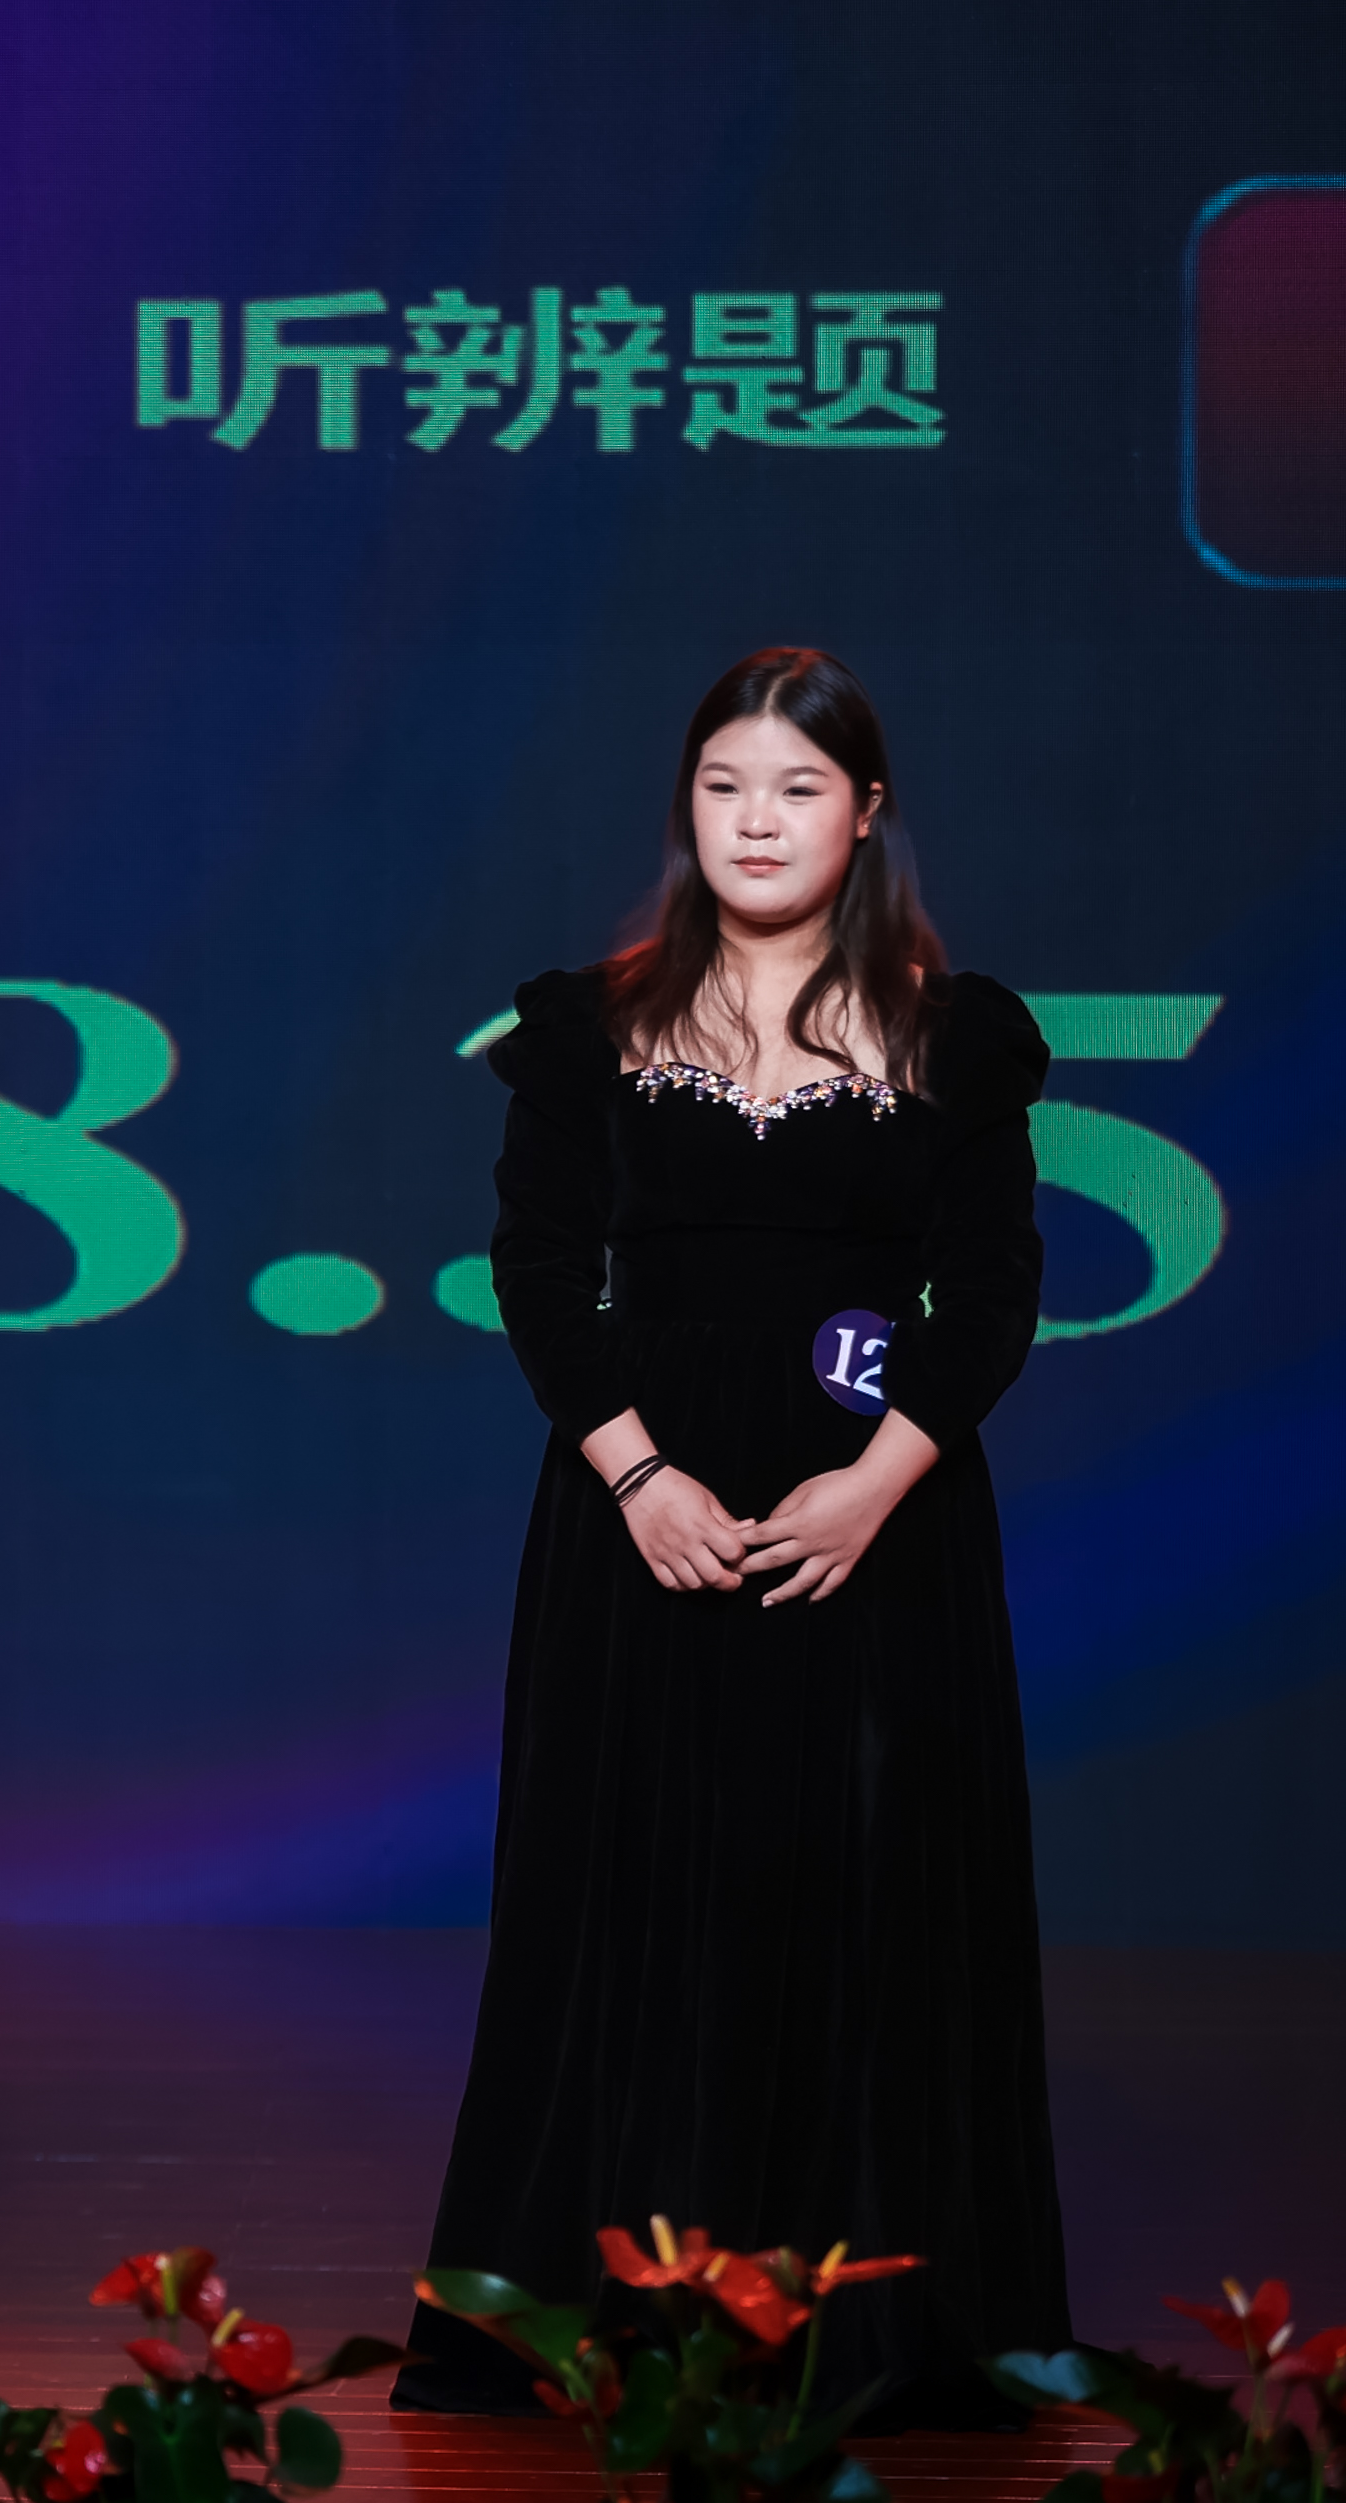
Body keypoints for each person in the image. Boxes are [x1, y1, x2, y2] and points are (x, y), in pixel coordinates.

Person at [396, 649, 1068, 2430]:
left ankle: (873, 2332)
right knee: (627, 1897)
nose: (754, 822)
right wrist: (638, 1477)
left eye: (794, 788)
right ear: (684, 806)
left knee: (864, 1894)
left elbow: (993, 1289)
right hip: (640, 1518)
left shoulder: (954, 1032)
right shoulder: (587, 1024)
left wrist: (875, 1482)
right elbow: (538, 1273)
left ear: (865, 813)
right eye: (721, 785)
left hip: (877, 1523)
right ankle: (606, 2314)